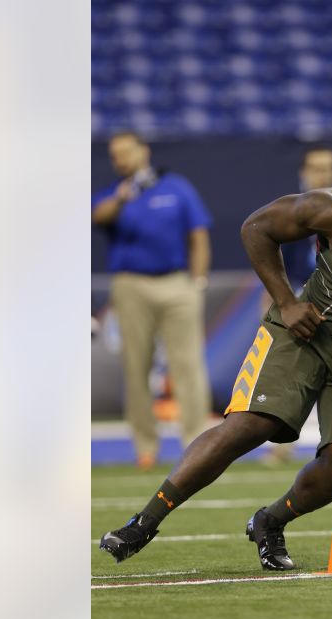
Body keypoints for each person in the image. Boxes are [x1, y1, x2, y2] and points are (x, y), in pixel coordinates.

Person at [100, 126, 332, 571]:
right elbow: (256, 228)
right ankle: (143, 522)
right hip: (306, 336)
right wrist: (287, 302)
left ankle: (270, 520)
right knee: (249, 424)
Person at [92, 131, 213, 470]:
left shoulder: (176, 187)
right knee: (136, 367)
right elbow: (96, 217)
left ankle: (195, 445)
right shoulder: (115, 194)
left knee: (188, 366)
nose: (121, 159)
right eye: (115, 155)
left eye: (126, 152)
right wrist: (121, 198)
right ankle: (146, 447)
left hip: (177, 283)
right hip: (131, 285)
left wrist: (198, 281)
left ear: (143, 150)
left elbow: (198, 234)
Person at [260, 145, 332, 465]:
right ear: (303, 172)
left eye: (329, 167)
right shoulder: (289, 210)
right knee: (287, 376)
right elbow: (273, 256)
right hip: (297, 301)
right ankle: (281, 445)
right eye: (317, 167)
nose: (324, 173)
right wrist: (274, 298)